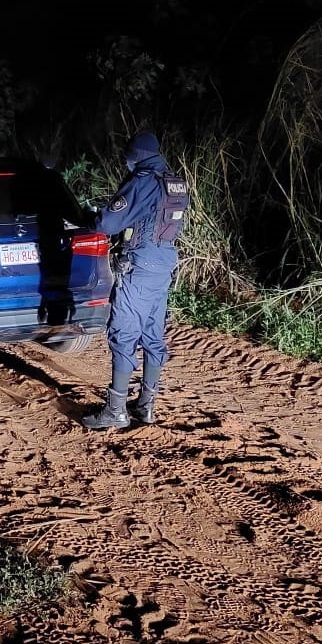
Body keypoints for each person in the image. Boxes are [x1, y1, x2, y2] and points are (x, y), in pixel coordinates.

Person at [82, 130, 189, 429]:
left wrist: (91, 219)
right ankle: (146, 407)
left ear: (137, 156)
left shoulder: (142, 181)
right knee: (153, 335)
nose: (127, 162)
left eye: (129, 157)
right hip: (164, 265)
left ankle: (115, 411)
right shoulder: (176, 183)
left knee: (124, 333)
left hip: (138, 267)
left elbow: (109, 223)